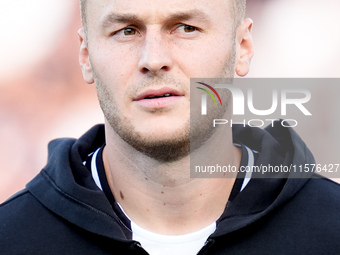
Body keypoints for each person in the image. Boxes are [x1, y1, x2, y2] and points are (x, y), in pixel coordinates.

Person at [0, 0, 339, 254]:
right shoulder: (13, 238)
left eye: (186, 28)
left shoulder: (330, 228)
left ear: (242, 48)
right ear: (86, 56)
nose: (153, 58)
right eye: (126, 31)